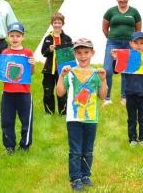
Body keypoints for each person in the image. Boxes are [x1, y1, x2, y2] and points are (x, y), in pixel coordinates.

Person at [56, 38, 108, 191]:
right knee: (75, 150)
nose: (83, 56)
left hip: (91, 118)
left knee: (88, 149)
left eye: (86, 52)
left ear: (92, 53)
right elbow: (59, 93)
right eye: (79, 53)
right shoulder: (70, 73)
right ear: (75, 54)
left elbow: (103, 96)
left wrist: (104, 80)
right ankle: (75, 178)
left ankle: (86, 175)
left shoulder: (97, 73)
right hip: (73, 118)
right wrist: (61, 75)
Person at [0, 21, 35, 154]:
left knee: (27, 120)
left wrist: (32, 64)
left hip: (24, 93)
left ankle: (25, 146)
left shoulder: (27, 52)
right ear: (8, 36)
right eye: (12, 35)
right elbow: (0, 72)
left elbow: (31, 73)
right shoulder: (5, 53)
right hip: (8, 92)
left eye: (18, 36)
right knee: (7, 120)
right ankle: (9, 146)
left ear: (23, 37)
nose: (15, 39)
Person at [112, 31, 143, 145]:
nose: (139, 46)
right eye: (136, 43)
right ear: (130, 43)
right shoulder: (127, 57)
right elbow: (116, 71)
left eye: (142, 43)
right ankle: (132, 139)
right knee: (131, 118)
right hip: (130, 93)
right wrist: (115, 59)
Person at [101, 0, 142, 104]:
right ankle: (107, 98)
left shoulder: (134, 12)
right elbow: (104, 28)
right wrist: (111, 38)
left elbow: (138, 30)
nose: (122, 0)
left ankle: (124, 97)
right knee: (108, 69)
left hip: (128, 44)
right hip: (113, 43)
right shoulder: (111, 11)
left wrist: (134, 43)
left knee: (126, 70)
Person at [40, 12, 73, 115]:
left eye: (59, 22)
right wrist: (49, 50)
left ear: (62, 24)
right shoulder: (48, 38)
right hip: (49, 70)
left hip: (62, 71)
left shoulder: (67, 38)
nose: (57, 25)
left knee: (62, 92)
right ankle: (49, 112)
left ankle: (63, 112)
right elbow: (43, 53)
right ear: (52, 24)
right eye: (55, 22)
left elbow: (71, 54)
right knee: (48, 92)